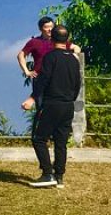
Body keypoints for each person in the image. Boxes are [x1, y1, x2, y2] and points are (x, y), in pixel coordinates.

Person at [21, 24, 81, 188]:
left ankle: (47, 174)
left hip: (51, 104)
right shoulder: (73, 60)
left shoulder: (50, 57)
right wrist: (70, 100)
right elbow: (78, 84)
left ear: (52, 39)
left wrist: (32, 98)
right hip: (68, 105)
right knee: (61, 141)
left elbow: (43, 80)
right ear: (67, 39)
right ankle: (59, 176)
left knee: (39, 138)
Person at [17, 16, 81, 84]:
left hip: (58, 78)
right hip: (40, 78)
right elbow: (21, 55)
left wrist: (75, 55)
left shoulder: (59, 40)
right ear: (40, 29)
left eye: (51, 27)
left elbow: (76, 47)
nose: (50, 29)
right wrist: (27, 72)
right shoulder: (34, 42)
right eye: (46, 27)